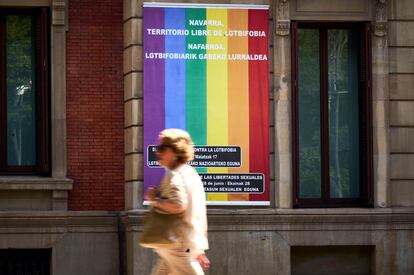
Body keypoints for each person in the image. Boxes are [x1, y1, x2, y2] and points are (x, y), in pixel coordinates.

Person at [145, 128, 210, 275]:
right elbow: (195, 213)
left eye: (161, 148)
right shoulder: (189, 173)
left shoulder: (176, 175)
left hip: (177, 246)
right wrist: (197, 249)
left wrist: (155, 199)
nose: (157, 153)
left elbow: (178, 205)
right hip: (178, 245)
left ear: (174, 152)